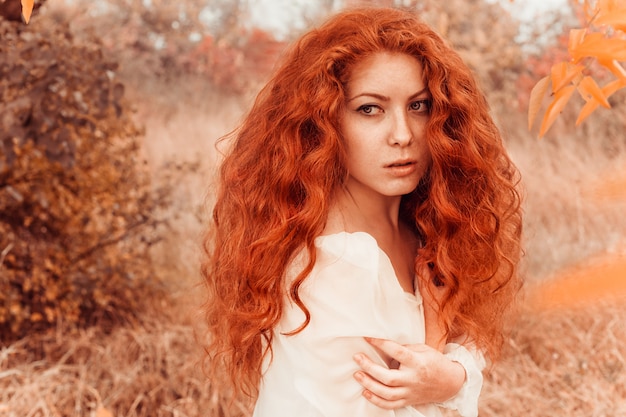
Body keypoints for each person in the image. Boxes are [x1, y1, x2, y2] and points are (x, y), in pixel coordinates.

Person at [202, 6, 523, 417]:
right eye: (370, 109)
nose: (402, 135)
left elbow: (447, 369)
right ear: (324, 123)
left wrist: (448, 374)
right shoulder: (331, 261)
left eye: (419, 106)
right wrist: (443, 360)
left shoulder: (426, 226)